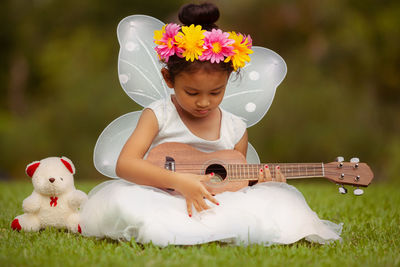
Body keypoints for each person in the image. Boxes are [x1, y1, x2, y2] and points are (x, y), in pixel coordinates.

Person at [80, 3, 342, 246]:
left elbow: (230, 180)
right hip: (161, 197)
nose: (204, 102)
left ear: (228, 80)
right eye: (192, 93)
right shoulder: (158, 114)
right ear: (168, 78)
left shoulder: (235, 128)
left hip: (212, 203)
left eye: (216, 92)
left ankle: (206, 228)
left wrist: (258, 182)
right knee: (123, 202)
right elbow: (125, 164)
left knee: (281, 203)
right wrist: (179, 182)